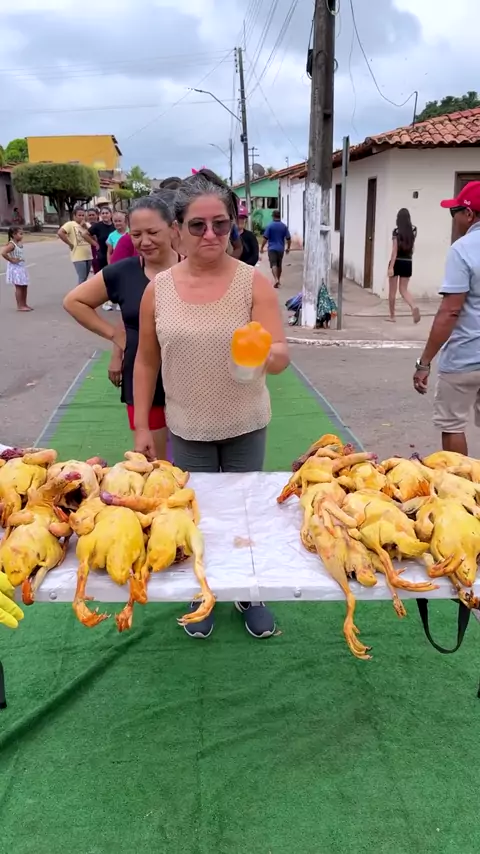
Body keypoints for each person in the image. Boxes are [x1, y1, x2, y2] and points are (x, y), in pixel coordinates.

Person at [133, 175, 290, 639]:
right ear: (177, 230)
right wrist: (142, 426)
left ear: (233, 226)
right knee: (195, 515)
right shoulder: (158, 289)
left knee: (245, 513)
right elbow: (146, 361)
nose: (210, 235)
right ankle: (202, 591)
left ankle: (249, 591)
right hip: (186, 426)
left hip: (245, 421)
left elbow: (280, 355)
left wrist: (265, 354)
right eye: (197, 225)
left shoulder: (252, 283)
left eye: (220, 224)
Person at [63, 195, 180, 460]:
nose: (145, 241)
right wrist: (115, 336)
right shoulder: (123, 272)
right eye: (136, 234)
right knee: (158, 466)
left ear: (173, 228)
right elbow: (74, 302)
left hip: (190, 380)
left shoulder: (194, 269)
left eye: (153, 232)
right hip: (144, 380)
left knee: (196, 466)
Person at [413, 181, 480, 455]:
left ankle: (459, 482)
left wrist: (424, 362)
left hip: (465, 357)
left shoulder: (462, 249)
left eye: (455, 212)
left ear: (469, 214)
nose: (453, 218)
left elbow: (450, 311)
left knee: (452, 425)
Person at [387, 208, 420, 323]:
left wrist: (391, 266)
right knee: (403, 290)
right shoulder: (413, 231)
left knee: (392, 292)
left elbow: (394, 251)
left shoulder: (396, 232)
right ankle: (413, 306)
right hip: (408, 262)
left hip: (397, 261)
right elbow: (412, 248)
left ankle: (392, 316)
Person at [57, 207, 96, 284]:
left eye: (83, 215)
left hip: (88, 255)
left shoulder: (87, 224)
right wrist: (70, 243)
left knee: (85, 278)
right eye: (79, 215)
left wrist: (85, 227)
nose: (81, 217)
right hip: (78, 256)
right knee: (82, 278)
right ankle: (79, 292)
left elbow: (94, 237)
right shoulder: (70, 224)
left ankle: (83, 291)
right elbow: (60, 233)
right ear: (74, 216)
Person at [89, 207, 115, 309]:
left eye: (106, 213)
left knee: (114, 278)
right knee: (104, 279)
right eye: (103, 213)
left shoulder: (115, 225)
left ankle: (114, 299)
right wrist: (95, 243)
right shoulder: (97, 226)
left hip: (115, 255)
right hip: (103, 255)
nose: (105, 215)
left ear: (111, 214)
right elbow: (85, 234)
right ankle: (105, 301)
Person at [1, 226, 32, 311]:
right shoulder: (11, 244)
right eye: (20, 234)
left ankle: (24, 304)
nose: (22, 236)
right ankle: (20, 306)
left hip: (21, 266)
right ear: (14, 235)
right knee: (19, 286)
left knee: (24, 286)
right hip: (16, 268)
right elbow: (3, 253)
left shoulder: (19, 243)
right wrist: (11, 260)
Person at [261, 210, 291, 288]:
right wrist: (288, 248)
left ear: (273, 216)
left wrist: (261, 247)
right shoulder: (284, 226)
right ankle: (279, 279)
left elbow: (265, 238)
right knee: (279, 265)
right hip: (281, 249)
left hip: (272, 248)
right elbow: (288, 238)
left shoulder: (270, 226)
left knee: (273, 264)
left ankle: (276, 279)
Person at [86, 208, 100, 273]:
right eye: (89, 215)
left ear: (97, 215)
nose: (91, 217)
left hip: (99, 249)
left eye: (93, 215)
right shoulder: (84, 226)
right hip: (88, 251)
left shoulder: (101, 225)